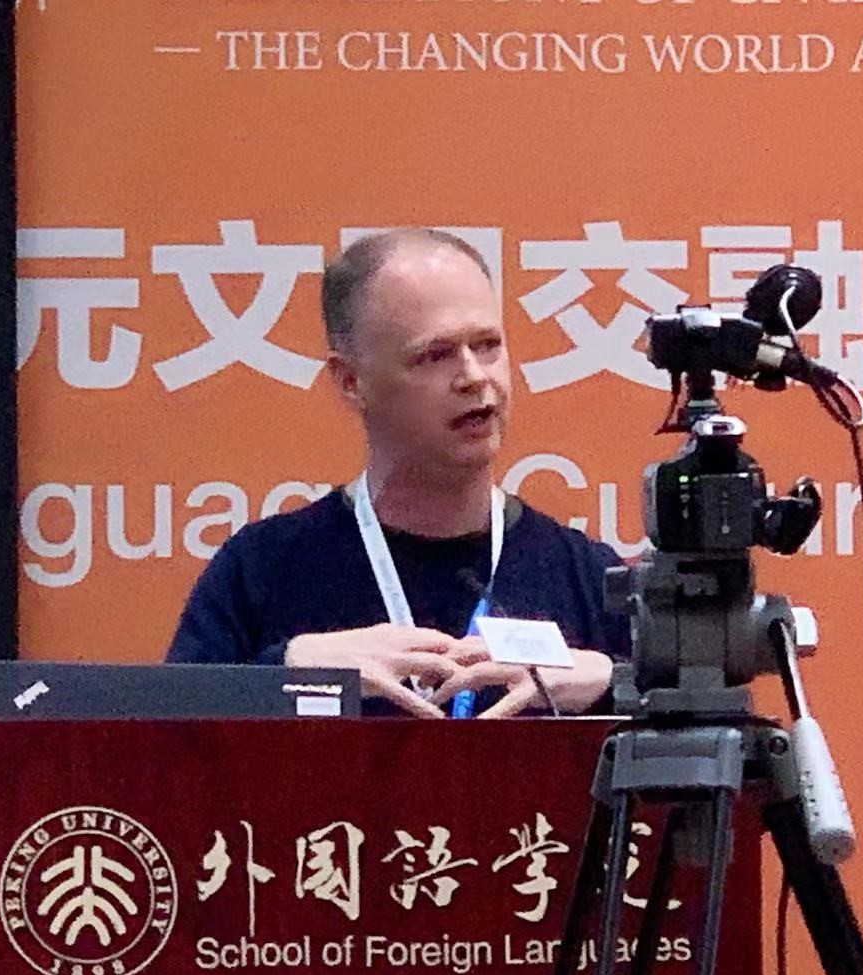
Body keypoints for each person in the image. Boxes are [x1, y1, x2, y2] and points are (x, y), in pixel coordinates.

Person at [166, 228, 629, 717]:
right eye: (435, 355)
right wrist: (287, 672)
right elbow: (164, 735)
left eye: (488, 345)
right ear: (351, 381)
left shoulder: (589, 577)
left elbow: (679, 728)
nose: (475, 376)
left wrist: (616, 685)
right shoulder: (260, 571)